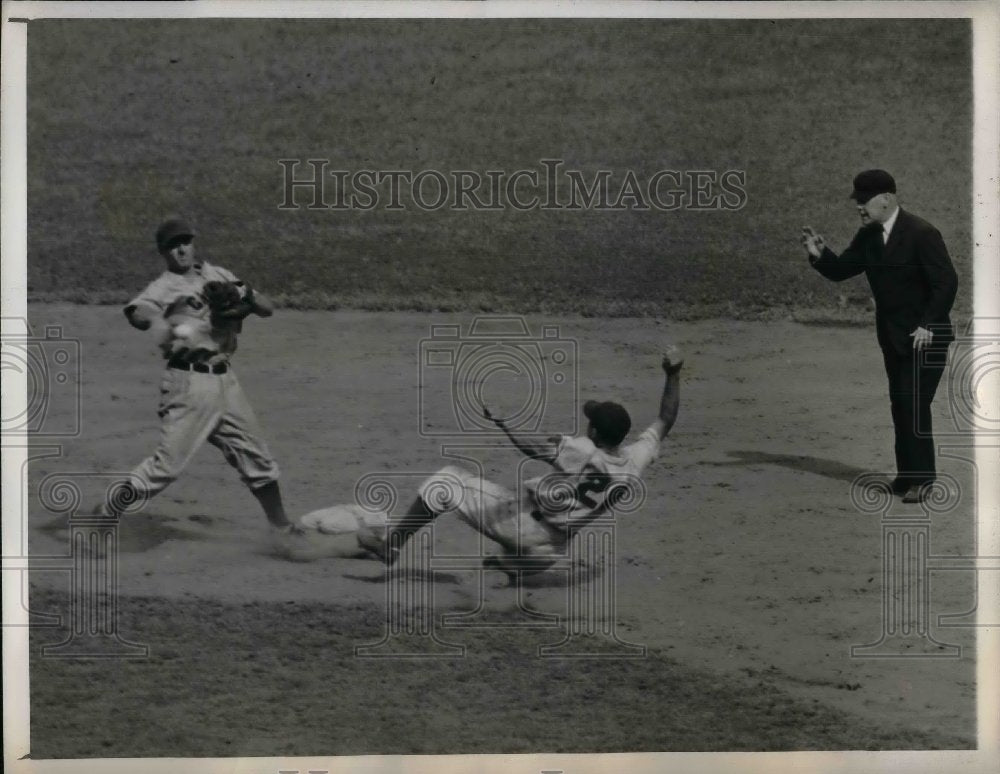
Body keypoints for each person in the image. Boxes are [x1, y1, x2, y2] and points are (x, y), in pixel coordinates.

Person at [317, 347, 683, 572]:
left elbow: (533, 449)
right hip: (552, 550)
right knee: (504, 563)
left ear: (597, 433)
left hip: (524, 526)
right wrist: (674, 374)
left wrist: (503, 421)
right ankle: (510, 568)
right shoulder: (634, 462)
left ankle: (391, 546)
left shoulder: (584, 451)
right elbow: (666, 419)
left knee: (446, 481)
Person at [101, 218, 301, 538]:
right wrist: (158, 321)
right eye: (173, 246)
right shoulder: (164, 287)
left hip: (227, 382)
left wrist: (248, 298)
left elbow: (267, 308)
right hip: (189, 385)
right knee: (166, 467)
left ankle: (282, 529)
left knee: (258, 459)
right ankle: (105, 515)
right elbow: (138, 312)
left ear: (194, 244)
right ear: (163, 252)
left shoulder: (219, 274)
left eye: (185, 242)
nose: (181, 250)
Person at [802, 170, 958, 503]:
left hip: (927, 338)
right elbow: (842, 269)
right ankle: (907, 475)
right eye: (857, 200)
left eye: (864, 200)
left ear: (886, 198)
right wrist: (819, 254)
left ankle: (923, 480)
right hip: (894, 338)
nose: (859, 206)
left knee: (913, 404)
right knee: (900, 405)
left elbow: (946, 283)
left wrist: (928, 324)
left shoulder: (922, 233)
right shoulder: (869, 237)